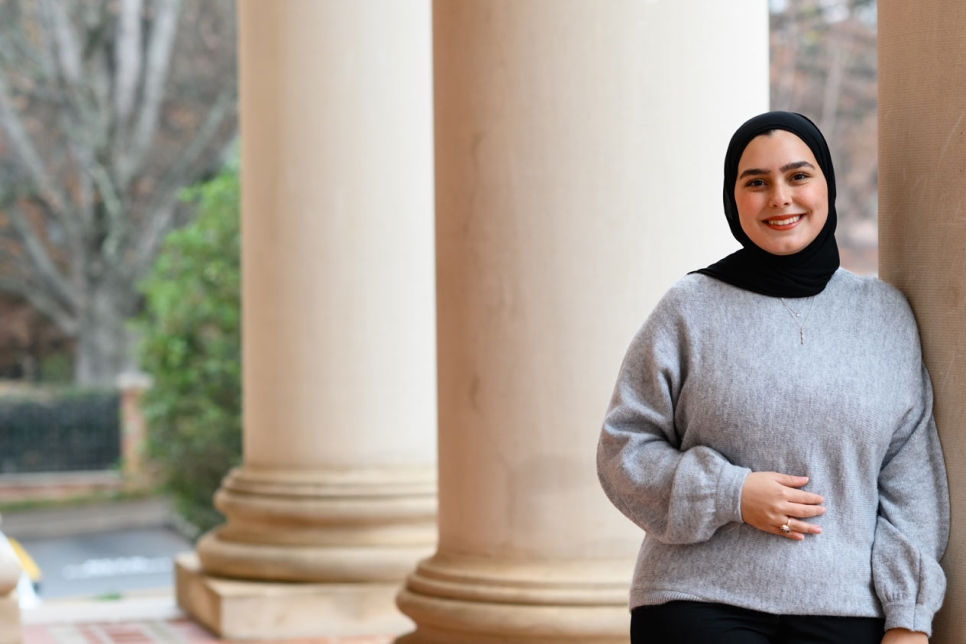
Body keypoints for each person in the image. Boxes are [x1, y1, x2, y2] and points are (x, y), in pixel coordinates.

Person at [597, 111, 949, 644]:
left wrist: (909, 618)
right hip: (696, 599)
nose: (780, 197)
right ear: (733, 200)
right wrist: (730, 494)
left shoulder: (885, 315)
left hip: (845, 607)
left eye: (798, 176)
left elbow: (911, 480)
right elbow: (623, 451)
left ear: (826, 185)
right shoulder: (687, 309)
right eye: (756, 183)